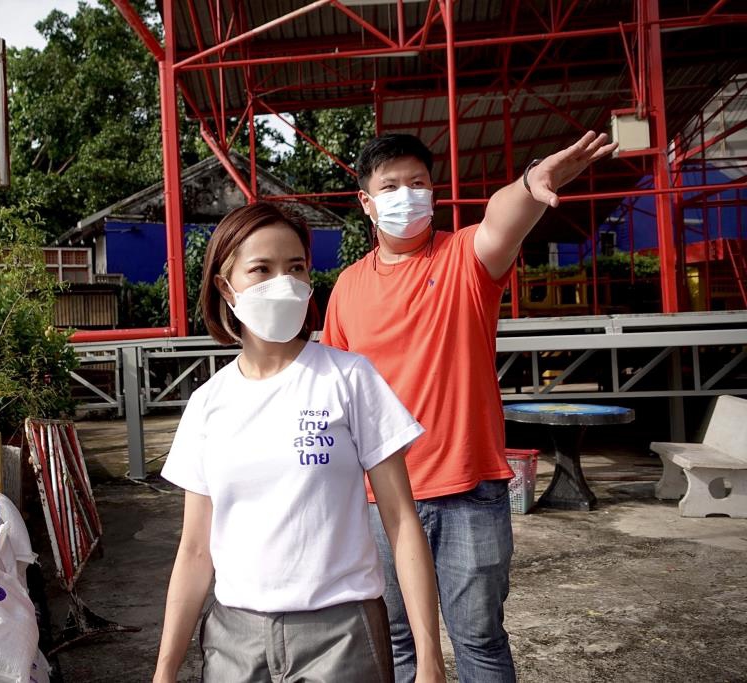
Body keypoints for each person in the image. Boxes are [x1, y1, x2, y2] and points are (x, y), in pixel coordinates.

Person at [322, 131, 617, 682]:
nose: (406, 195)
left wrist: (531, 183)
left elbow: (503, 217)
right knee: (398, 642)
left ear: (434, 192)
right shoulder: (347, 288)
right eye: (390, 186)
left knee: (479, 640)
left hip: (468, 490)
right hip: (379, 498)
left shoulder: (463, 258)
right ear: (366, 202)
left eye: (418, 183)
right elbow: (336, 396)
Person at [153, 202, 446, 683]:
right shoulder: (208, 404)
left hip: (342, 636)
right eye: (261, 270)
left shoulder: (350, 378)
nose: (282, 283)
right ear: (226, 287)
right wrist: (165, 671)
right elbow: (194, 550)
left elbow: (400, 519)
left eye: (295, 268)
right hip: (233, 641)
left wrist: (429, 657)